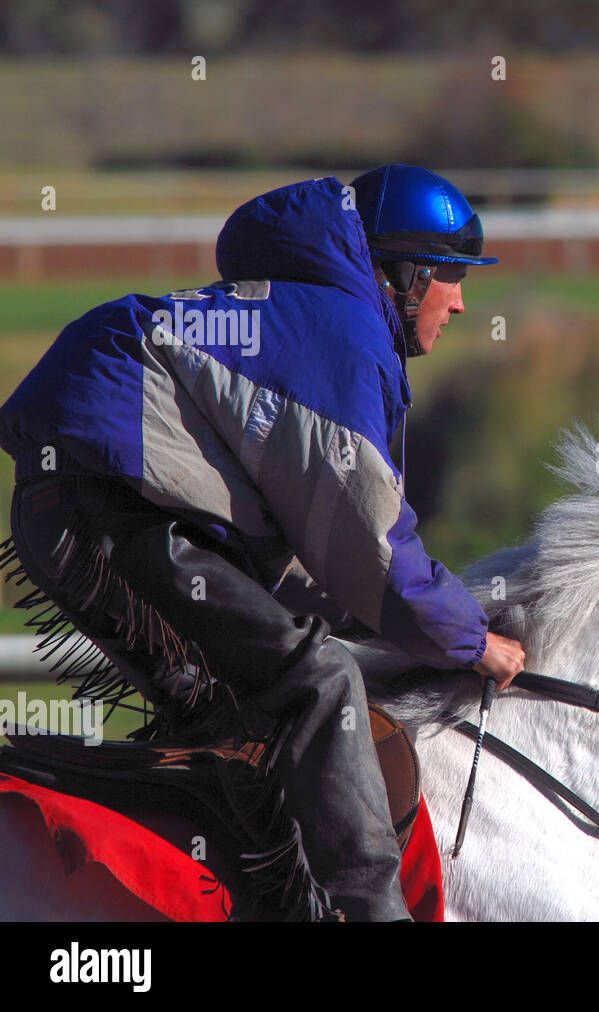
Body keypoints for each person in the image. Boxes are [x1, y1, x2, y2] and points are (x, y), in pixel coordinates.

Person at [0, 164, 525, 921]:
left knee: (246, 707)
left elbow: (318, 567)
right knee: (322, 683)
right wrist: (473, 640)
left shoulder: (312, 320)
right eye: (449, 275)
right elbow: (369, 546)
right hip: (107, 510)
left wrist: (411, 622)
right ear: (404, 277)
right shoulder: (343, 337)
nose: (463, 300)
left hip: (82, 505)